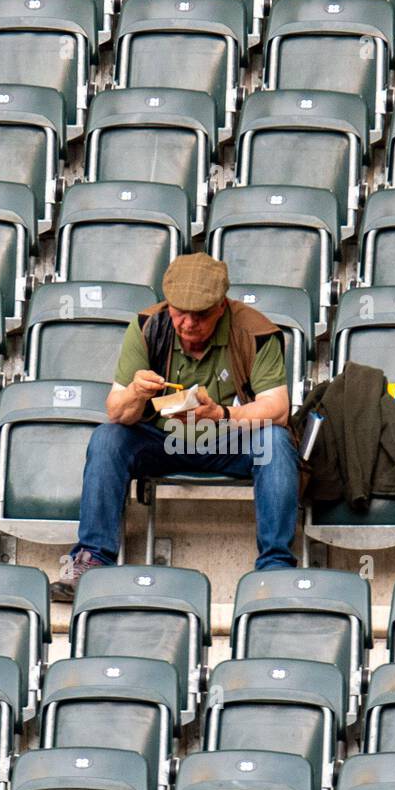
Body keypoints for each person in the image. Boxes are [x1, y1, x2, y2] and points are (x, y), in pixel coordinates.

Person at [51, 252, 300, 600]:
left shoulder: (255, 331)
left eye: (200, 315)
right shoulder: (148, 325)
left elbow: (278, 410)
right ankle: (90, 560)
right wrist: (137, 391)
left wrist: (224, 415)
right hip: (163, 442)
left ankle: (275, 568)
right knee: (108, 438)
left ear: (221, 306)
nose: (187, 324)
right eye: (179, 312)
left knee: (275, 441)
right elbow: (117, 412)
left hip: (228, 441)